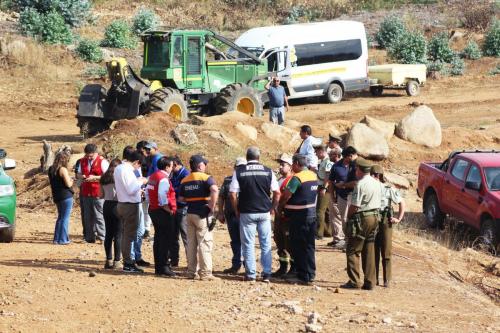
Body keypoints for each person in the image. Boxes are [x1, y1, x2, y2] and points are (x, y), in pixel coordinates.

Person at [229, 147, 280, 283]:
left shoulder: (239, 171)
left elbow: (233, 194)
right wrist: (273, 208)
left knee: (248, 244)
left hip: (247, 213)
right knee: (265, 243)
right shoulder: (268, 171)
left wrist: (236, 210)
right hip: (264, 212)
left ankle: (251, 274)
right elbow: (277, 192)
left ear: (247, 157)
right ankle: (267, 274)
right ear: (259, 157)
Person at [342, 157, 381, 290]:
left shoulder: (360, 184)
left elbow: (355, 206)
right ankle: (370, 281)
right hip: (375, 217)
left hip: (362, 218)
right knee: (369, 249)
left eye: (356, 169)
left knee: (353, 249)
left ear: (359, 170)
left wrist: (348, 219)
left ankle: (354, 281)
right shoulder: (376, 183)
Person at [279, 154, 318, 285]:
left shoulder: (297, 178)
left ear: (296, 163)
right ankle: (311, 273)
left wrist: (280, 208)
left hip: (299, 216)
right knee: (309, 245)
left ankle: (302, 275)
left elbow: (286, 196)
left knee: (298, 245)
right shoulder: (313, 175)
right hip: (311, 214)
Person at [179, 155, 219, 280]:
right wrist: (211, 206)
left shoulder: (185, 180)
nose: (205, 166)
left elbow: (180, 198)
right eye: (204, 164)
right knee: (204, 243)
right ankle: (206, 273)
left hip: (189, 214)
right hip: (202, 214)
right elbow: (214, 189)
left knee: (191, 244)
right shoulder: (206, 178)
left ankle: (191, 272)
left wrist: (191, 199)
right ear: (200, 166)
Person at [114, 149, 148, 273]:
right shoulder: (127, 170)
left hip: (122, 203)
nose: (138, 168)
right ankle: (128, 263)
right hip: (130, 205)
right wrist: (142, 181)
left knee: (126, 235)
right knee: (129, 236)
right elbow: (131, 189)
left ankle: (128, 261)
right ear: (137, 162)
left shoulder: (119, 168)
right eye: (139, 165)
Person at [371, 165, 405, 288]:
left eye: (374, 175)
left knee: (386, 250)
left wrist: (398, 218)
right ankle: (373, 279)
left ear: (379, 176)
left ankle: (387, 279)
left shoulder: (388, 188)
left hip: (385, 219)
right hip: (372, 218)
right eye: (371, 175)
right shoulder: (369, 188)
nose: (373, 177)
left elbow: (401, 202)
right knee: (373, 250)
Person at [147, 156, 177, 277]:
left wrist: (152, 204)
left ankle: (159, 266)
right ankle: (164, 266)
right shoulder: (163, 178)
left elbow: (148, 192)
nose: (172, 168)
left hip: (153, 209)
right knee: (165, 239)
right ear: (167, 167)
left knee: (158, 239)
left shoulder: (153, 176)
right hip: (162, 211)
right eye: (171, 165)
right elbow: (162, 194)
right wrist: (166, 208)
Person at [217, 157, 247, 274]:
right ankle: (236, 264)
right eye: (239, 167)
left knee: (245, 240)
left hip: (245, 214)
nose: (241, 169)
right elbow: (221, 197)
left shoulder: (248, 178)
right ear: (235, 168)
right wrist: (220, 212)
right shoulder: (228, 180)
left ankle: (247, 265)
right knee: (235, 240)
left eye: (243, 167)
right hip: (231, 215)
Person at [77, 143, 109, 243]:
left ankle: (103, 237)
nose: (89, 157)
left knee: (99, 215)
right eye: (87, 155)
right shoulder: (82, 161)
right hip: (85, 192)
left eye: (91, 155)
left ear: (96, 153)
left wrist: (95, 178)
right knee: (87, 216)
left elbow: (108, 176)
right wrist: (81, 176)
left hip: (98, 192)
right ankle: (89, 237)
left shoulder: (102, 161)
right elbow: (78, 173)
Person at [328, 146, 358, 249]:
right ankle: (347, 240)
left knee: (354, 219)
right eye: (353, 156)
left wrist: (344, 184)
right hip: (342, 197)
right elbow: (331, 182)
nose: (355, 157)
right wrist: (332, 196)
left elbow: (357, 183)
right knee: (344, 219)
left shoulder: (356, 165)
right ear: (348, 156)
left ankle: (353, 241)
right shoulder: (336, 166)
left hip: (355, 197)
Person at [272, 153, 295, 278]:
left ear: (290, 167)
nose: (280, 167)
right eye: (280, 165)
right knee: (279, 241)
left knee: (289, 243)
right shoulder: (279, 180)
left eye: (283, 165)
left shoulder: (292, 180)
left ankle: (293, 268)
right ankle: (283, 267)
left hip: (287, 216)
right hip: (278, 216)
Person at [100, 158, 123, 270]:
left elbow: (101, 194)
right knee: (118, 234)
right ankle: (117, 261)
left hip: (106, 205)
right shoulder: (118, 177)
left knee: (108, 234)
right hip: (117, 205)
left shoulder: (104, 177)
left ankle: (108, 260)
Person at [48, 151, 74, 245]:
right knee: (65, 218)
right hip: (66, 196)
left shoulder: (51, 169)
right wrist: (72, 180)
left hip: (57, 196)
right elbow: (68, 184)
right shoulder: (63, 169)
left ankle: (57, 239)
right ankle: (63, 239)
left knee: (60, 217)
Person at [170, 155, 190, 267]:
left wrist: (172, 190)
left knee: (186, 236)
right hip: (174, 207)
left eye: (171, 166)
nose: (170, 169)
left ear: (176, 165)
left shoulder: (186, 175)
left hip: (183, 208)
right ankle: (174, 260)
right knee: (173, 236)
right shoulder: (173, 173)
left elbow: (182, 190)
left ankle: (190, 261)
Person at [314, 144, 333, 240]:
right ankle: (327, 231)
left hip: (324, 187)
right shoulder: (323, 161)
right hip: (322, 186)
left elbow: (328, 176)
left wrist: (324, 188)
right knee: (326, 211)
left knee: (320, 210)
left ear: (321, 151)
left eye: (316, 152)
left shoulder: (327, 161)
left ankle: (319, 232)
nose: (315, 154)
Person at [326, 147, 343, 247]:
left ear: (336, 155)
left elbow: (332, 182)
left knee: (337, 216)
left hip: (338, 195)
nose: (329, 157)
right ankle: (336, 237)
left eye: (331, 155)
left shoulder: (341, 166)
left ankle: (339, 238)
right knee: (333, 216)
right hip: (334, 194)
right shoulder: (336, 166)